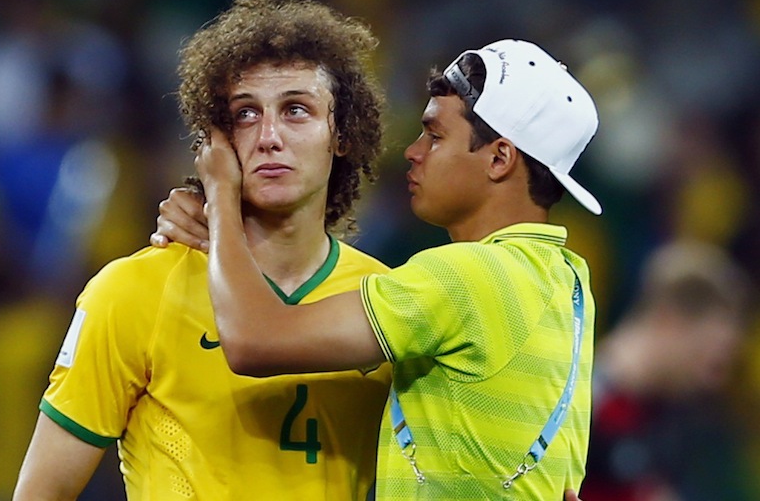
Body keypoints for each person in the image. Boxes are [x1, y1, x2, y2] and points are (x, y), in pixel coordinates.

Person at [14, 0, 393, 501]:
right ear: (212, 143)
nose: (269, 137)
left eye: (296, 110)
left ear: (340, 134)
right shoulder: (132, 291)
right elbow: (43, 491)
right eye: (245, 115)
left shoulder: (386, 300)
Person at [188, 39, 601, 499]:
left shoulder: (465, 277)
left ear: (499, 159)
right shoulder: (570, 282)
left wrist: (220, 196)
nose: (413, 151)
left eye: (436, 136)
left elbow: (254, 341)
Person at [580, 240, 754, 500]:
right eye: (707, 359)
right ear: (669, 320)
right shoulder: (583, 404)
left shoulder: (668, 419)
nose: (712, 381)